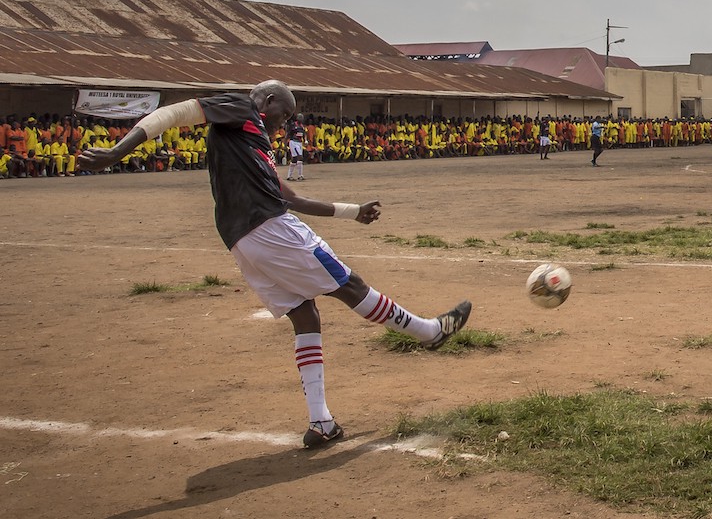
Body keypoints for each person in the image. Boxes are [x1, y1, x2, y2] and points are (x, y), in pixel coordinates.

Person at [76, 81, 471, 450]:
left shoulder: (253, 143)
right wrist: (117, 152)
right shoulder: (240, 108)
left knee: (305, 314)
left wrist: (354, 212)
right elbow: (174, 113)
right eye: (285, 113)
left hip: (242, 239)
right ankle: (429, 332)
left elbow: (292, 197)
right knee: (349, 285)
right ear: (267, 102)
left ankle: (321, 423)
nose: (288, 122)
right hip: (269, 228)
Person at [287, 115, 306, 181]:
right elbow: (288, 134)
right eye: (300, 117)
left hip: (299, 143)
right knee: (299, 157)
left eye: (302, 118)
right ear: (297, 118)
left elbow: (304, 133)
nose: (301, 119)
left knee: (295, 159)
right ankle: (300, 175)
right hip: (293, 142)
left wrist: (305, 140)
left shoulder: (302, 126)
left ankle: (290, 176)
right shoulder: (293, 125)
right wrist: (284, 144)